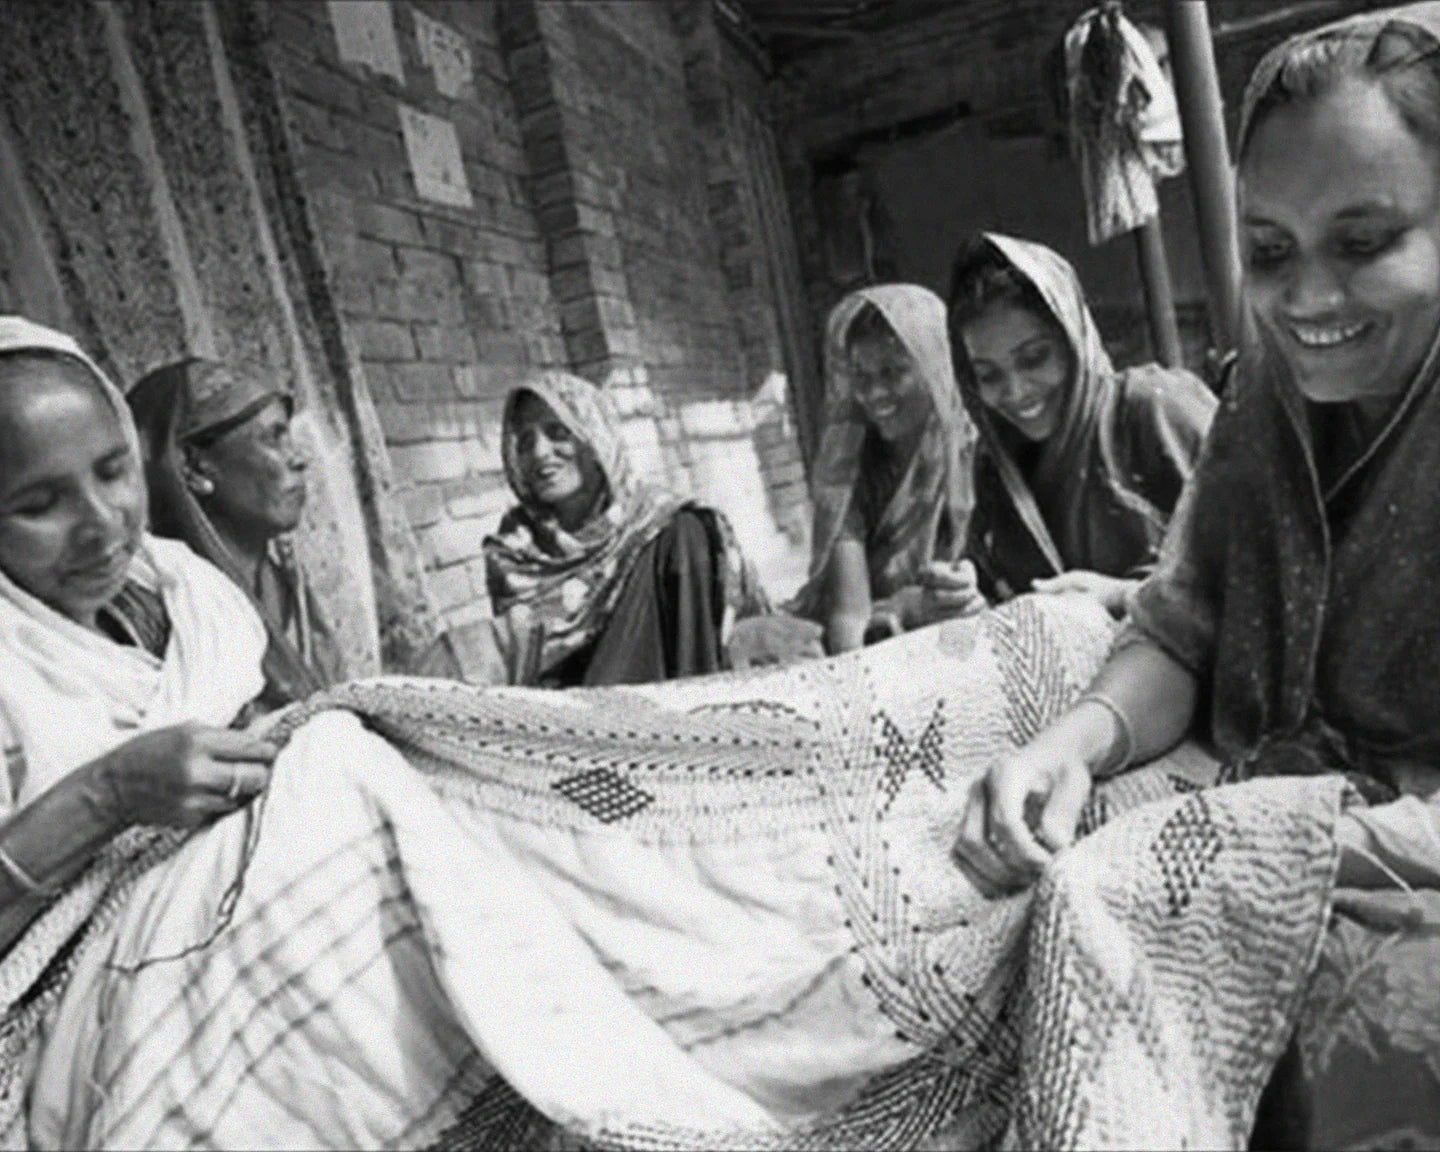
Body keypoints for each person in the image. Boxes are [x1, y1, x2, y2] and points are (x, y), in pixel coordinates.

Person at [955, 8, 1440, 1145]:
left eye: (1364, 241)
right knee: (986, 887)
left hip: (1390, 832)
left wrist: (1293, 845)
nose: (1308, 299)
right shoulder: (1267, 395)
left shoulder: (1154, 408)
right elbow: (1186, 622)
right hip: (1266, 769)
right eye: (1269, 252)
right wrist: (1068, 747)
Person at [484, 371, 821, 686]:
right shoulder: (514, 552)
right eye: (524, 441)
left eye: (558, 433)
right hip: (574, 709)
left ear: (596, 437)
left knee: (689, 533)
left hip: (669, 691)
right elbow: (526, 668)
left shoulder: (659, 524)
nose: (540, 453)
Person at [948, 233, 1217, 616]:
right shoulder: (998, 470)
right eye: (988, 375)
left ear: (1074, 339)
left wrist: (1123, 597)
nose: (1016, 391)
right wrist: (970, 603)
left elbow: (1267, 559)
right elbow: (1003, 597)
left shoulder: (1155, 412)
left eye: (1034, 358)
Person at [789, 284, 984, 654]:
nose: (875, 393)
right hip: (882, 645)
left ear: (936, 367)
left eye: (893, 372)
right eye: (861, 377)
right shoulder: (848, 470)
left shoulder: (978, 456)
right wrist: (862, 684)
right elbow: (850, 617)